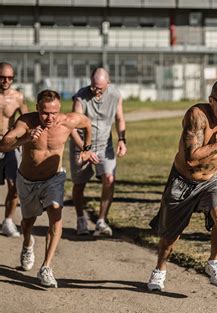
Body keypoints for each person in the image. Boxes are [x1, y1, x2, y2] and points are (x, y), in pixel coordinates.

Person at [147, 79, 217, 291]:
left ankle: (213, 261)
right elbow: (191, 159)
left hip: (213, 179)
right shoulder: (197, 116)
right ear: (211, 101)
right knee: (170, 237)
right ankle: (160, 269)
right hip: (183, 180)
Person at [0, 90, 95, 287]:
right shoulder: (26, 122)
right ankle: (27, 243)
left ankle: (46, 268)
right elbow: (3, 145)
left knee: (55, 212)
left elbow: (86, 123)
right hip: (27, 180)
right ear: (37, 108)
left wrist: (86, 149)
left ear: (59, 109)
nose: (50, 117)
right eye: (45, 113)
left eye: (54, 112)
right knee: (28, 222)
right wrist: (26, 138)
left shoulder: (68, 121)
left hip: (54, 178)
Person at [70, 67, 127, 236]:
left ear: (108, 84)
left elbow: (119, 118)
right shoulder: (81, 97)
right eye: (93, 86)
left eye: (99, 88)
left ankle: (101, 220)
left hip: (104, 145)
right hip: (80, 145)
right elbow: (72, 127)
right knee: (79, 184)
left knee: (109, 178)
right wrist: (85, 149)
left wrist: (122, 139)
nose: (95, 90)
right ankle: (80, 218)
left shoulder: (115, 95)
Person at [0, 62, 28, 237]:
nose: (6, 81)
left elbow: (26, 119)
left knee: (15, 185)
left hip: (9, 145)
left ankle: (8, 221)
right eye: (3, 77)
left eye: (10, 77)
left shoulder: (17, 97)